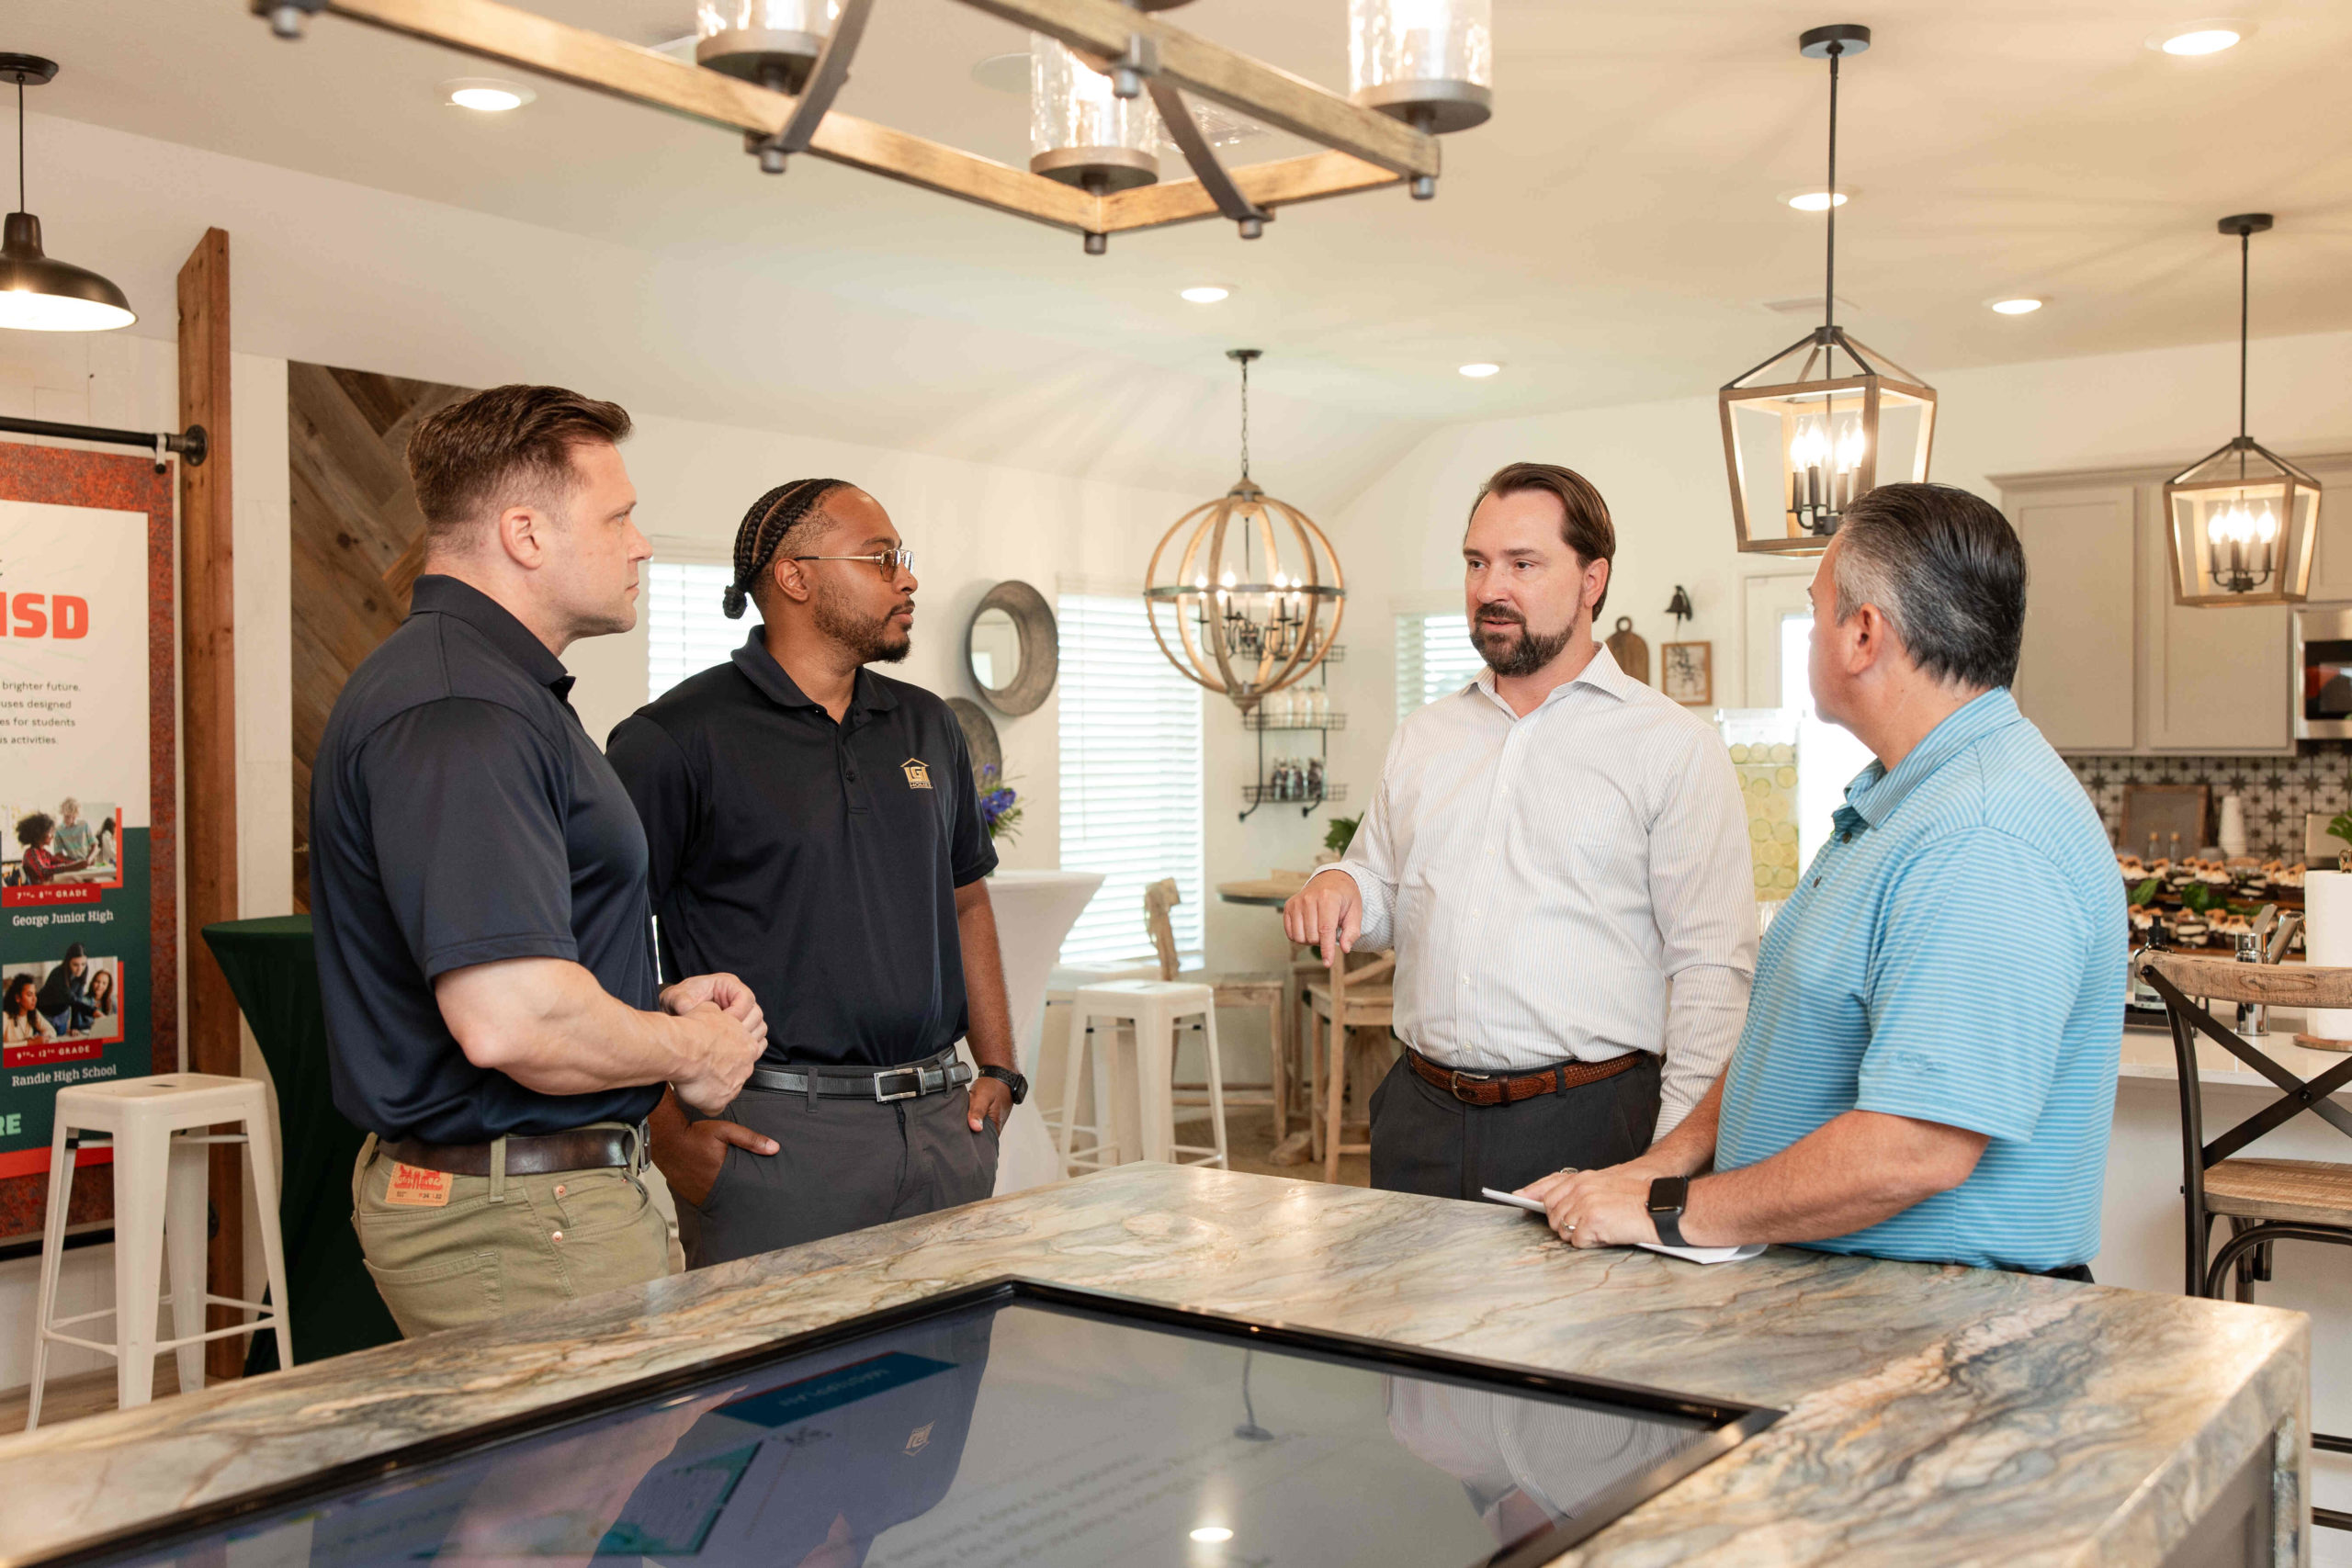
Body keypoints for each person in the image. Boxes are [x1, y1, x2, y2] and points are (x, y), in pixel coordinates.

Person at [1521, 483, 2123, 1280]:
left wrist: (1669, 1212)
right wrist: (1660, 1167)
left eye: (1816, 611)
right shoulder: (1906, 799)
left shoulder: (1981, 833)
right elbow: (1790, 1038)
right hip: (1858, 1293)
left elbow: (1916, 1148)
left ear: (1863, 634)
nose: (1812, 635)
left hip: (1943, 1321)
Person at [308, 383, 767, 1337]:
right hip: (521, 1225)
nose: (641, 544)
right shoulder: (460, 711)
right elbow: (508, 1019)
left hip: (534, 1211)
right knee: (586, 1493)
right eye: (621, 516)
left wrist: (646, 1003)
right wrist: (692, 1050)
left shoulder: (491, 692)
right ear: (525, 534)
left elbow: (528, 960)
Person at [1283, 462, 1756, 1201]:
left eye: (1522, 564)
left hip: (1593, 1130)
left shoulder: (1673, 747)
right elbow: (1382, 884)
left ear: (1592, 580)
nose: (1489, 588)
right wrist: (1341, 883)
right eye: (1476, 562)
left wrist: (1666, 1162)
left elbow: (1710, 976)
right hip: (1418, 1117)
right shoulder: (1425, 735)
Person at [605, 478, 1019, 1268]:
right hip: (775, 1144)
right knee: (775, 1394)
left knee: (949, 1383)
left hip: (944, 1131)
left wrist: (999, 1069)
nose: (908, 577)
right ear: (795, 576)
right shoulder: (674, 739)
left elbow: (967, 900)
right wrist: (668, 1136)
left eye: (903, 556)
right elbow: (605, 942)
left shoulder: (930, 725)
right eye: (881, 557)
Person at [13, 813, 94, 885]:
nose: (52, 836)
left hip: (48, 884)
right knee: (76, 882)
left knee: (86, 880)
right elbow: (43, 871)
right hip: (41, 890)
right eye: (50, 832)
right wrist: (72, 867)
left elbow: (60, 861)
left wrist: (78, 863)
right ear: (38, 834)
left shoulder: (44, 853)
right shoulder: (30, 853)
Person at [38, 943, 92, 1035]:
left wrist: (75, 1026)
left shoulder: (83, 970)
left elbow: (78, 999)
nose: (80, 969)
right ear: (68, 962)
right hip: (44, 1014)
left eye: (83, 964)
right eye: (75, 965)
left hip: (62, 1015)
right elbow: (71, 999)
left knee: (61, 1039)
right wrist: (93, 1012)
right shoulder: (57, 973)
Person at [3, 974, 55, 1047]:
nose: (35, 999)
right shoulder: (4, 1017)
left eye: (35, 994)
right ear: (18, 998)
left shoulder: (33, 1012)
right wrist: (29, 1043)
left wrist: (43, 1038)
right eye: (30, 995)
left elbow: (51, 1030)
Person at [51, 799, 94, 863]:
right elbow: (58, 854)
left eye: (70, 816)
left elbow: (94, 845)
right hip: (72, 864)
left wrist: (89, 859)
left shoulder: (84, 825)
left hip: (88, 862)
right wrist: (73, 863)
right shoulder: (59, 830)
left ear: (76, 815)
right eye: (65, 816)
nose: (67, 819)